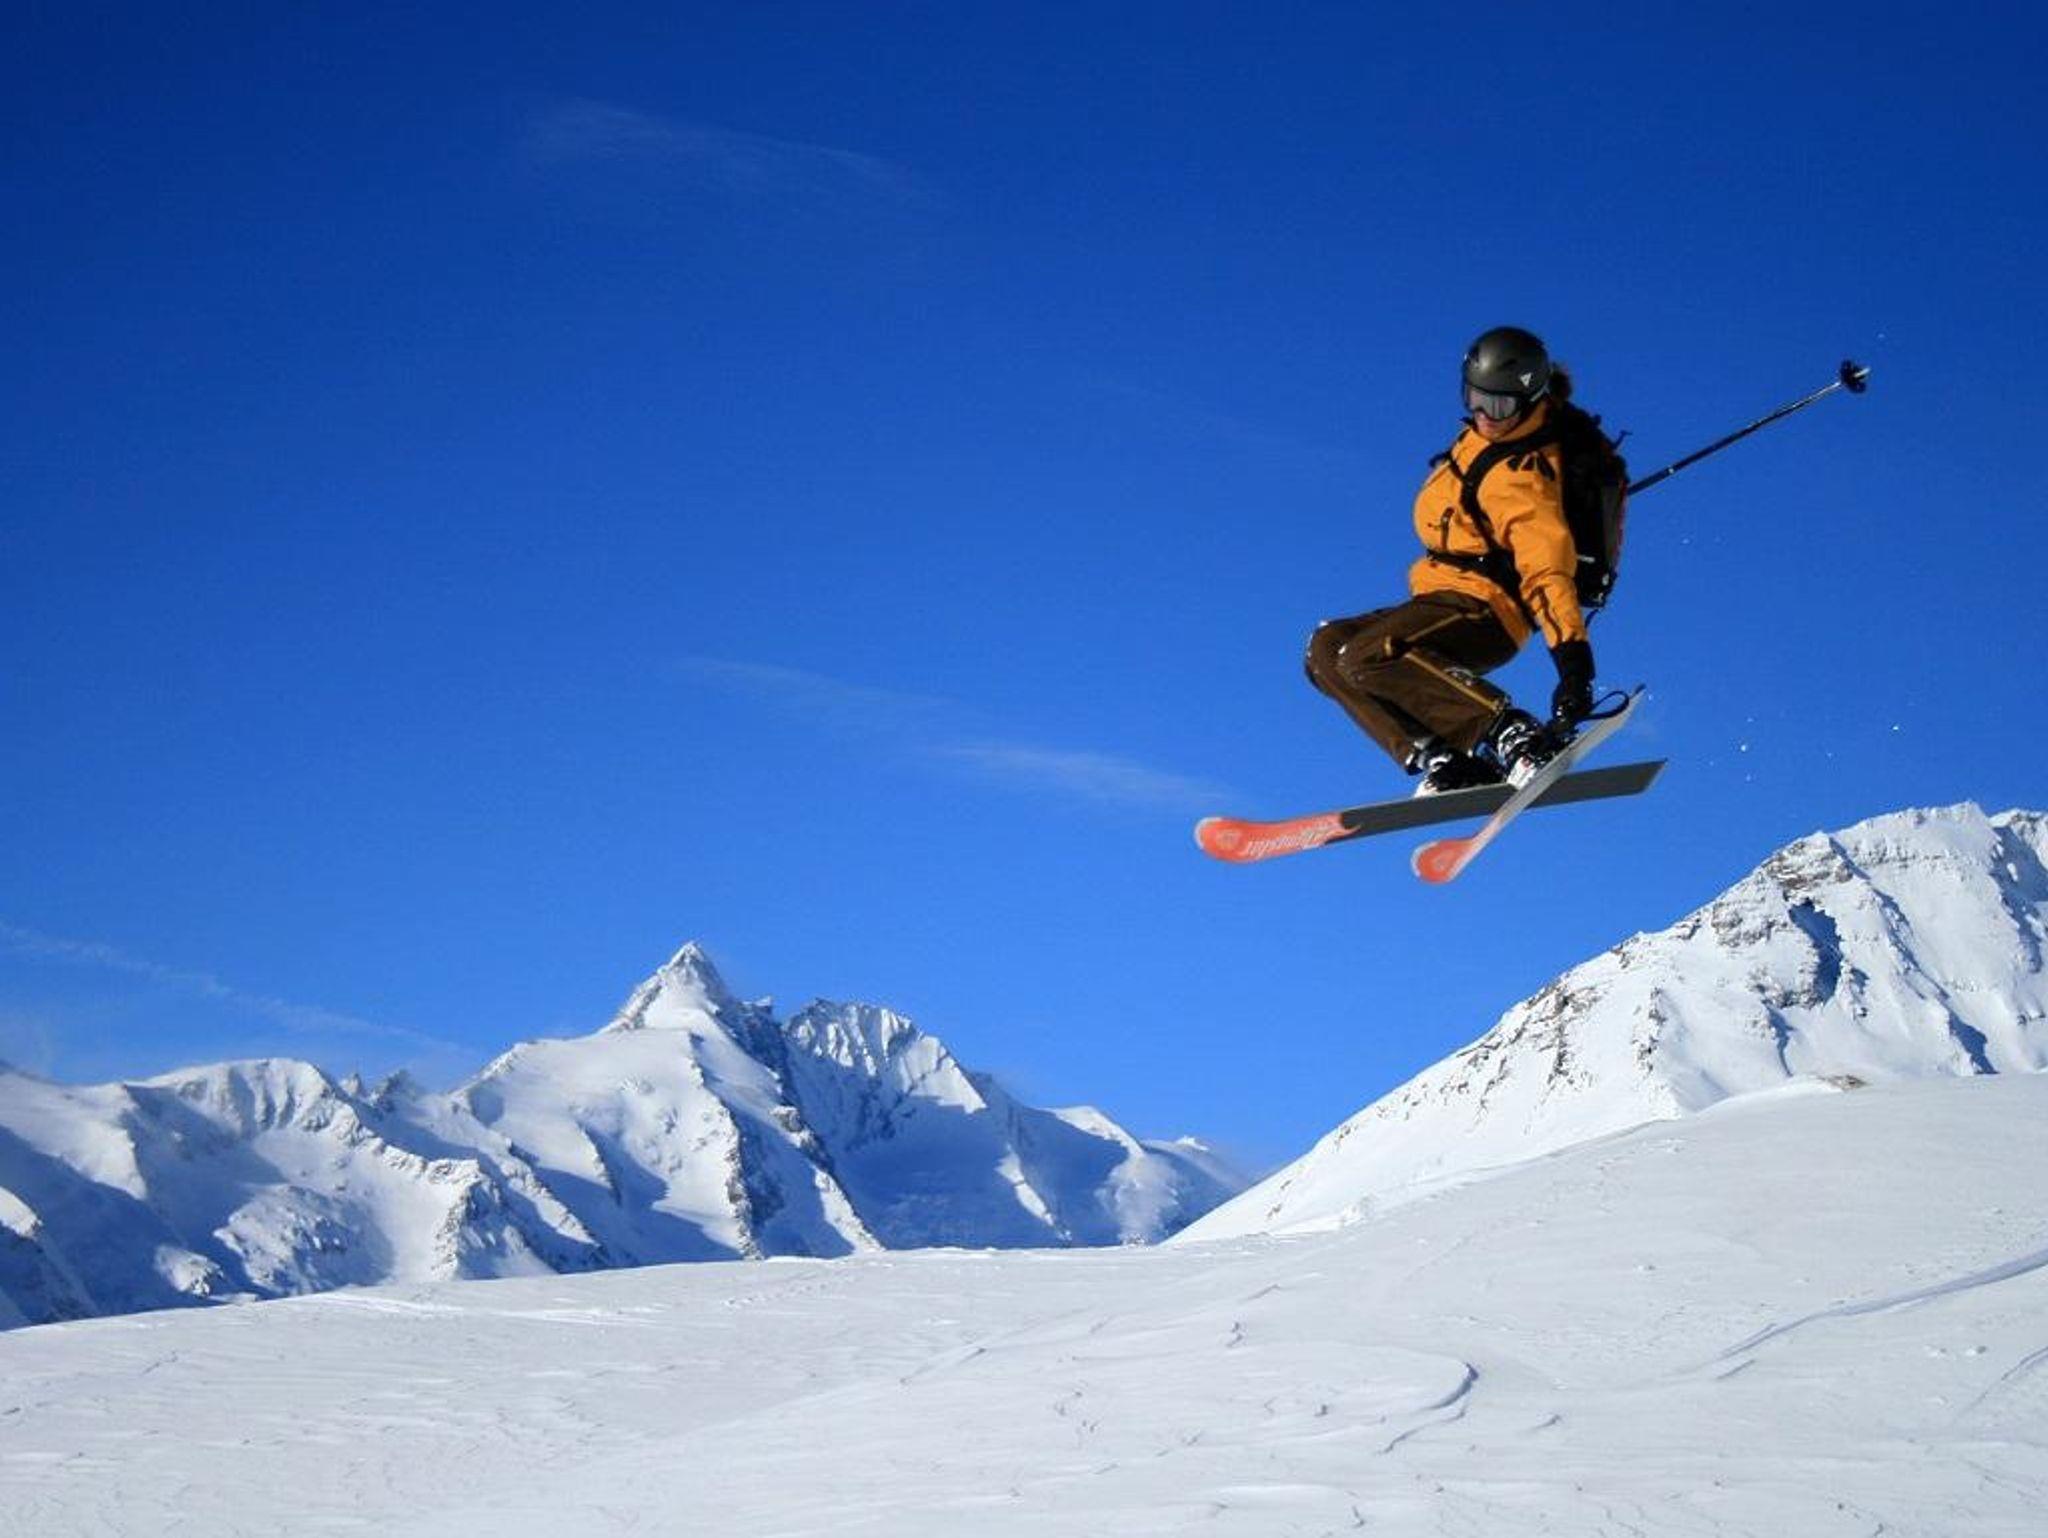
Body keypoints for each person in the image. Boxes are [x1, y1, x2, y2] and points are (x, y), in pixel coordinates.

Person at [1303, 325, 1599, 794]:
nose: (1484, 415)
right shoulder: (1480, 440)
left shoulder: (1524, 477)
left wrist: (1574, 667)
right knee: (1326, 650)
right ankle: (1442, 756)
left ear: (1529, 401)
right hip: (1442, 597)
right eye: (1475, 399)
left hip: (1488, 612)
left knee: (1366, 656)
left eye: (1498, 406)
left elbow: (1548, 571)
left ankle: (1509, 731)